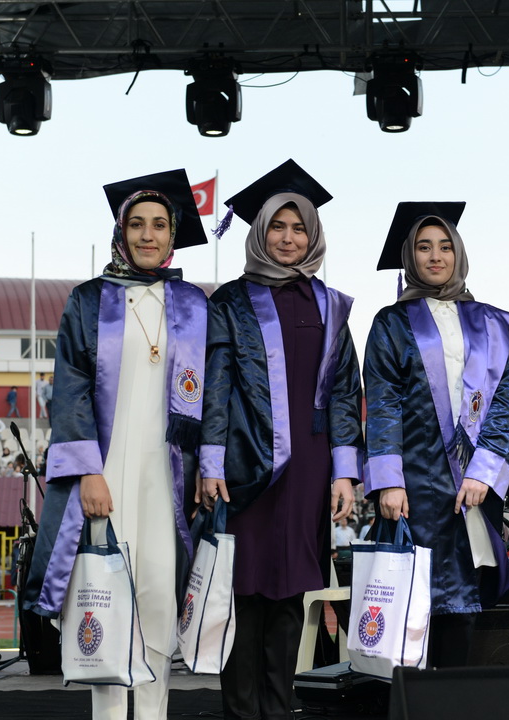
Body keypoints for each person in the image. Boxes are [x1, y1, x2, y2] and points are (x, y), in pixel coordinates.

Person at [24, 169, 210, 720]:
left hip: (167, 475)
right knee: (103, 600)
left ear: (173, 234)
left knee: (157, 598)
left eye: (159, 225)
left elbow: (211, 395)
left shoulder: (193, 304)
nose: (148, 235)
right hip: (106, 473)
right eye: (137, 224)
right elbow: (71, 387)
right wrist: (87, 470)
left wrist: (206, 467)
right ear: (121, 232)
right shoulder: (89, 300)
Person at [200, 159, 363, 720]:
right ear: (259, 232)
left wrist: (345, 471)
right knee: (243, 592)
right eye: (277, 226)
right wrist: (211, 462)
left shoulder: (331, 305)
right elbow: (215, 386)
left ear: (312, 235)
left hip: (309, 468)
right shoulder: (230, 301)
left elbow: (344, 390)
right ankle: (241, 711)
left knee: (291, 593)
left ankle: (278, 708)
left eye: (298, 228)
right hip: (246, 465)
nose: (288, 238)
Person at [363, 202, 509, 668]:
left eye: (446, 246)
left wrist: (484, 471)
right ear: (409, 256)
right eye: (424, 247)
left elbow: (506, 398)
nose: (436, 256)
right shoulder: (391, 322)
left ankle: (452, 698)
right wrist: (389, 481)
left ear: (459, 253)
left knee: (464, 601)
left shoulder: (493, 322)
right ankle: (410, 700)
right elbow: (383, 403)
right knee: (411, 606)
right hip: (416, 481)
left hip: (472, 486)